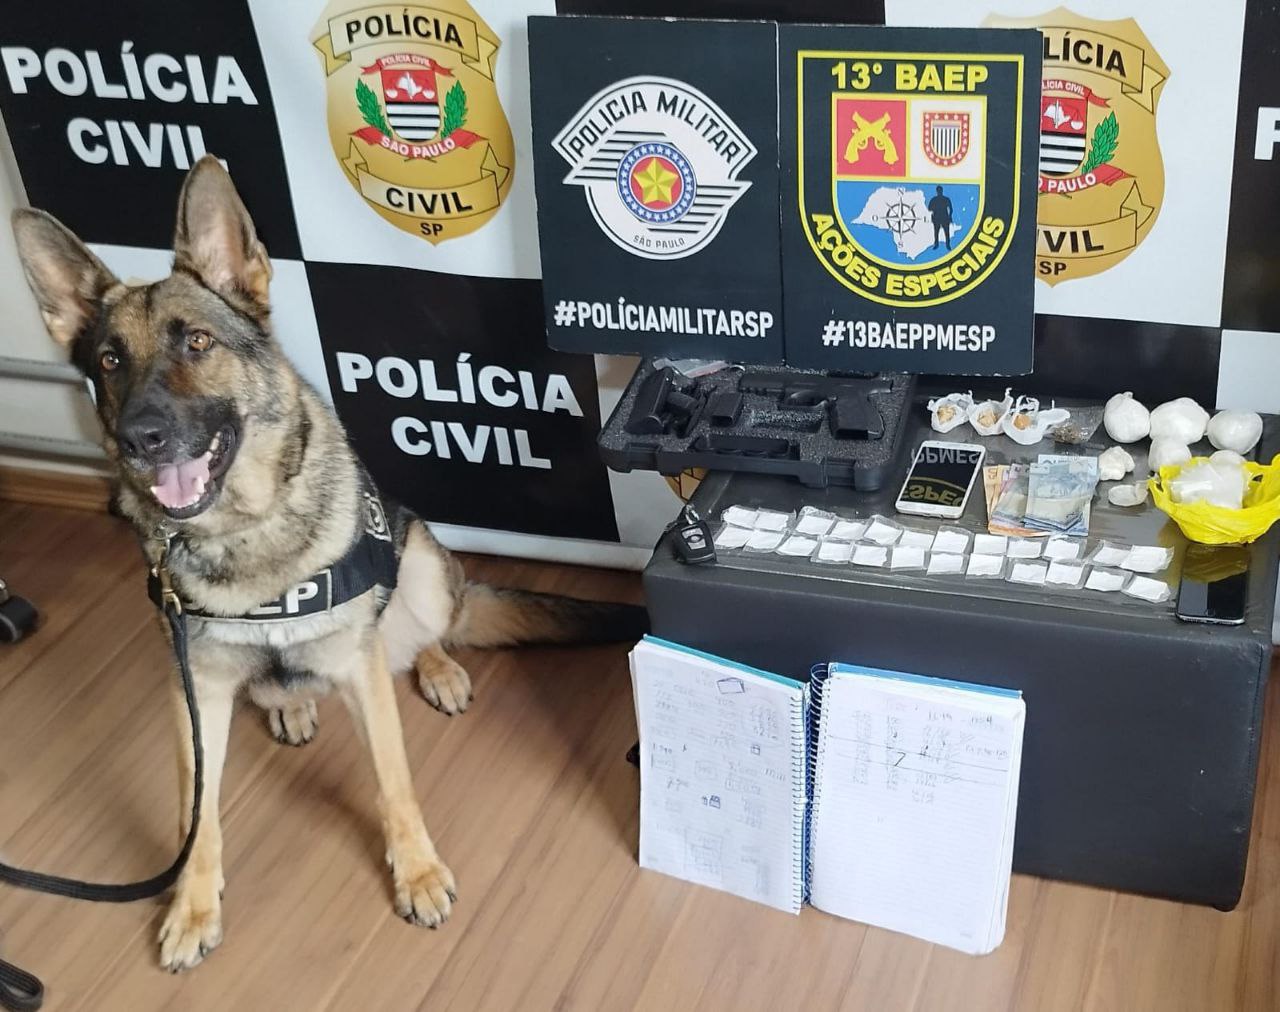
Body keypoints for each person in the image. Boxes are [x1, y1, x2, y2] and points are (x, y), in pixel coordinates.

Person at [928, 185, 953, 250]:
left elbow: (951, 209)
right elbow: (929, 208)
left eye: (940, 190)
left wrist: (949, 216)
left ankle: (947, 245)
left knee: (946, 232)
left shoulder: (945, 199)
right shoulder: (934, 199)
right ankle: (937, 244)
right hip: (937, 218)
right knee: (936, 232)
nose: (939, 192)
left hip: (944, 218)